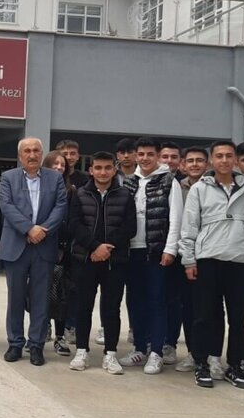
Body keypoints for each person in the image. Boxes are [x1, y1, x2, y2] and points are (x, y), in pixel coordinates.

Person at [180, 140, 244, 389]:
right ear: (212, 160)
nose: (224, 160)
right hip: (208, 260)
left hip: (239, 260)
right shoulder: (199, 189)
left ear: (235, 160)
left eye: (229, 156)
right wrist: (189, 259)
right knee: (204, 315)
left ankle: (235, 365)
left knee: (237, 318)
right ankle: (202, 362)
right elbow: (189, 226)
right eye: (219, 156)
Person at [0, 138, 68, 366]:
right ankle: (15, 343)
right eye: (27, 151)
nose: (32, 154)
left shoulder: (55, 178)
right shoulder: (8, 178)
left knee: (41, 299)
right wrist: (29, 229)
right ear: (20, 156)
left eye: (36, 150)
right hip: (16, 246)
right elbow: (6, 206)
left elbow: (60, 206)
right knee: (15, 298)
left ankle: (36, 345)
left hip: (44, 246)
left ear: (41, 154)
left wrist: (42, 230)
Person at [67, 151, 136, 374]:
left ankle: (110, 354)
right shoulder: (80, 193)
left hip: (115, 261)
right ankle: (81, 351)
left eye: (107, 168)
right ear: (91, 170)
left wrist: (106, 248)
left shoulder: (125, 195)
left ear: (114, 170)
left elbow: (129, 228)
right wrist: (94, 247)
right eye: (98, 168)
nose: (103, 172)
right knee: (83, 306)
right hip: (85, 259)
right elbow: (74, 225)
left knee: (111, 308)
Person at [119, 138, 183, 375]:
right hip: (131, 250)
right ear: (136, 156)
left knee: (157, 300)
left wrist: (170, 249)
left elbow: (176, 218)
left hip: (156, 251)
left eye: (150, 154)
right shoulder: (129, 182)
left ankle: (156, 351)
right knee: (136, 300)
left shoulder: (169, 182)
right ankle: (139, 348)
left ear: (157, 156)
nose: (145, 158)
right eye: (141, 154)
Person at [172, 146, 208, 372]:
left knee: (209, 308)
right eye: (190, 161)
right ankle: (193, 353)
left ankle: (210, 354)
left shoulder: (214, 186)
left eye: (199, 160)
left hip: (209, 253)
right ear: (183, 164)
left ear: (207, 164)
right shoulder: (177, 187)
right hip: (184, 255)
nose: (195, 164)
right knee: (187, 306)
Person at [43, 150, 74, 356]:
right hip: (40, 247)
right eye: (55, 164)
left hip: (63, 251)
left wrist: (62, 246)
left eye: (62, 165)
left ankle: (60, 336)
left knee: (61, 294)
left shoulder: (72, 191)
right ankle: (41, 328)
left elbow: (70, 221)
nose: (59, 168)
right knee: (39, 293)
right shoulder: (39, 188)